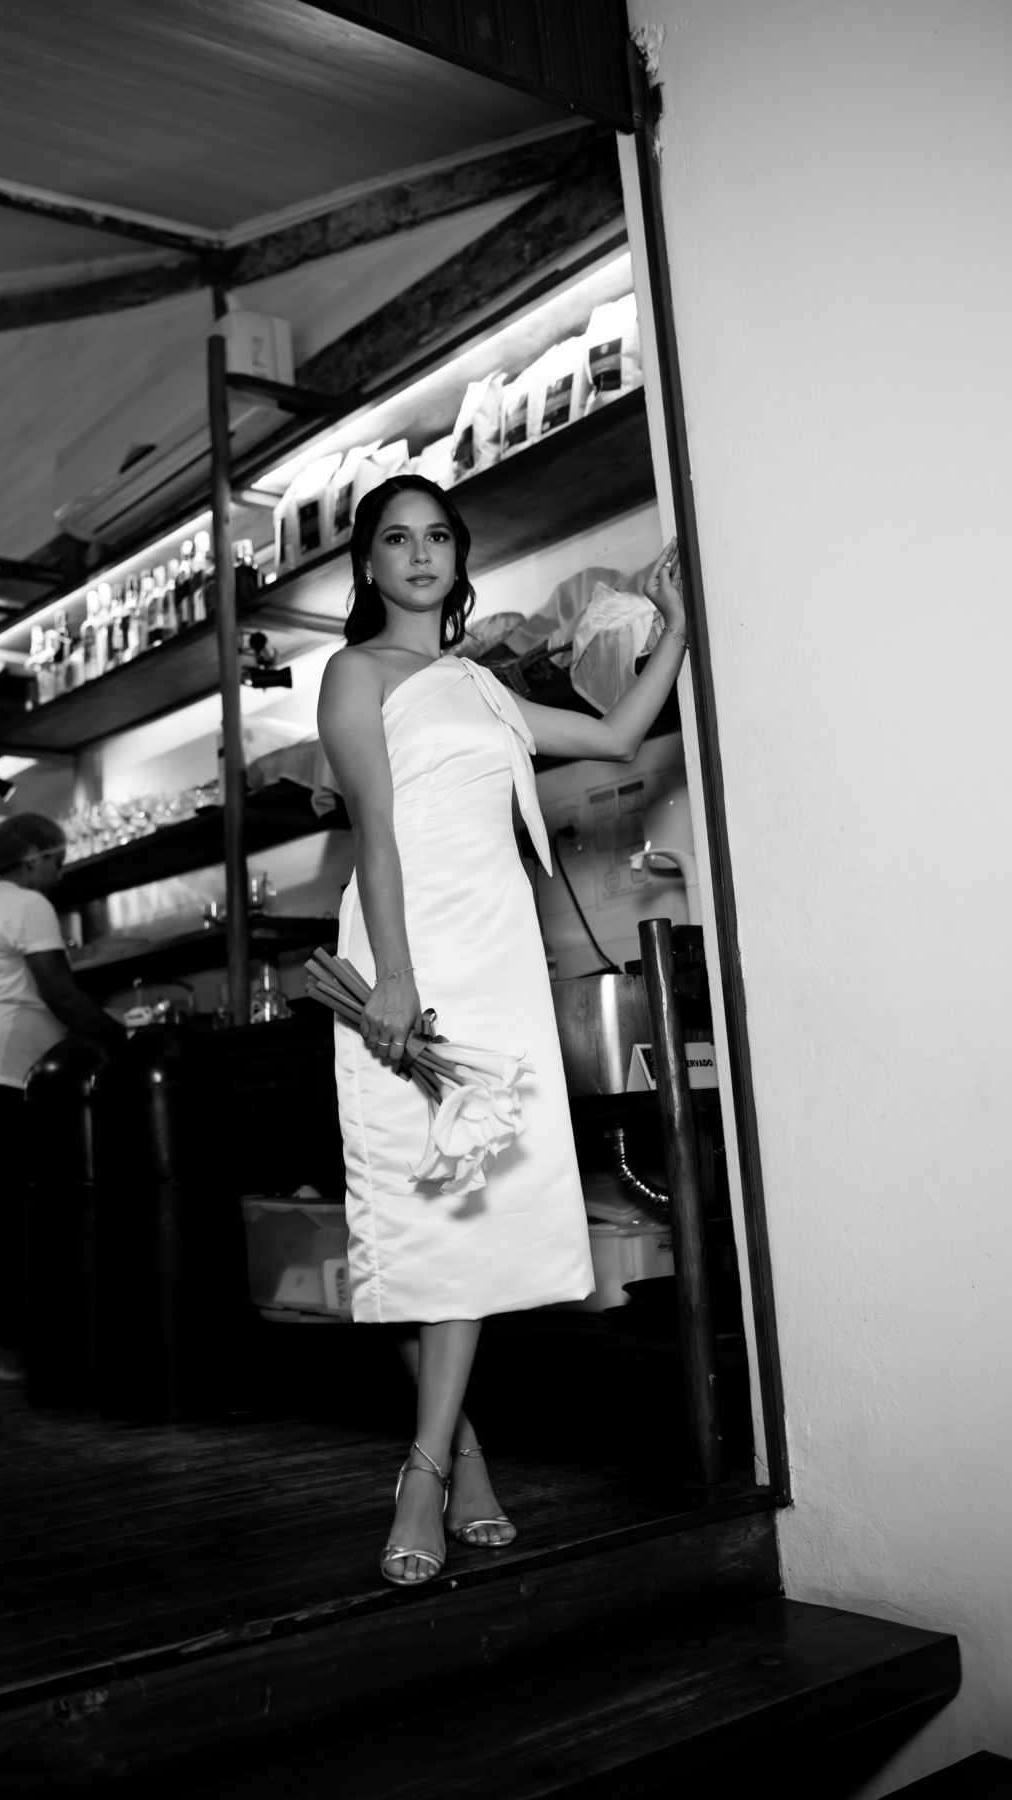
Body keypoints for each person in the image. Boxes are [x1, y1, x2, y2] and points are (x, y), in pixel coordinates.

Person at [317, 475, 687, 1586]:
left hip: (499, 960)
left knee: (468, 1216)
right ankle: (442, 1464)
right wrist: (395, 978)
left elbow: (618, 735)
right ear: (370, 565)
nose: (419, 553)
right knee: (409, 1220)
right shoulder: (355, 673)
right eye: (397, 538)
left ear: (458, 555)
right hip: (408, 954)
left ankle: (439, 1460)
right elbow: (377, 831)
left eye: (437, 535)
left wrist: (675, 625)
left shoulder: (482, 687)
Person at [0, 813, 124, 1383]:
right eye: (56, 862)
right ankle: (11, 1348)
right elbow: (61, 995)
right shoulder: (27, 902)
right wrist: (123, 1040)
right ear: (33, 858)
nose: (60, 875)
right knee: (11, 1210)